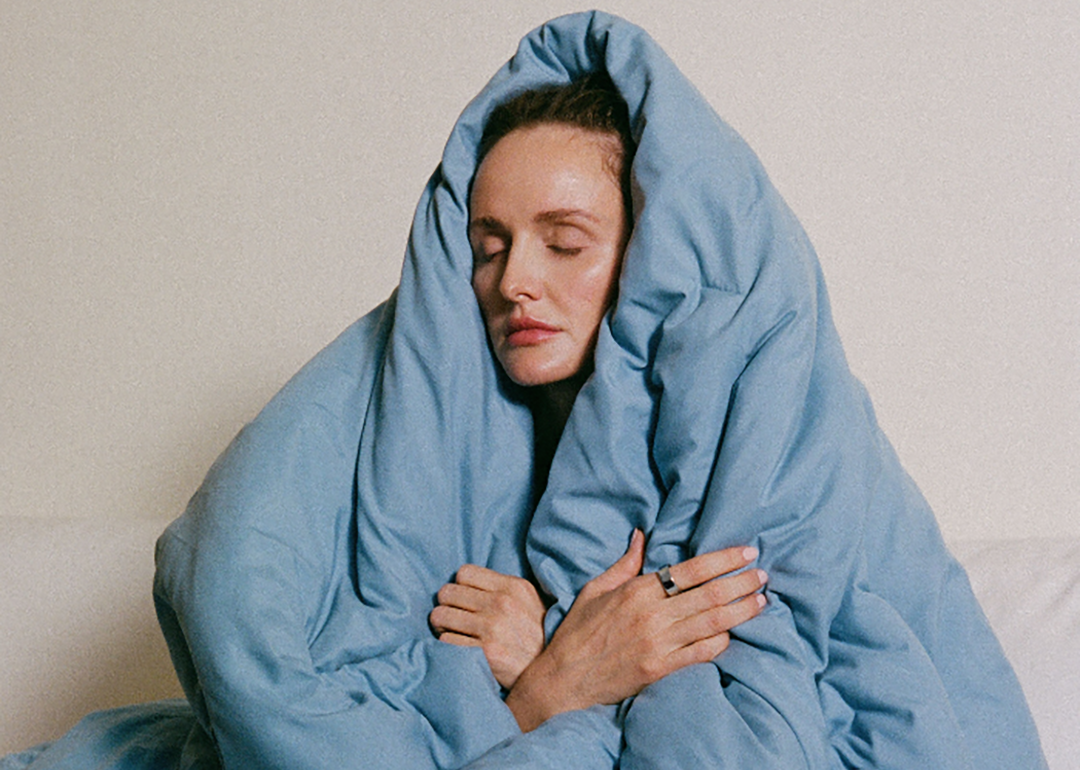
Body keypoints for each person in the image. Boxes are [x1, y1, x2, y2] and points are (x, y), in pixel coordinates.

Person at [1, 11, 1046, 770]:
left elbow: (775, 697)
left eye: (565, 240)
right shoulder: (426, 400)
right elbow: (247, 609)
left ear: (649, 258)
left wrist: (550, 667)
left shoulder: (755, 421)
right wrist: (555, 680)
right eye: (489, 244)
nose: (515, 282)